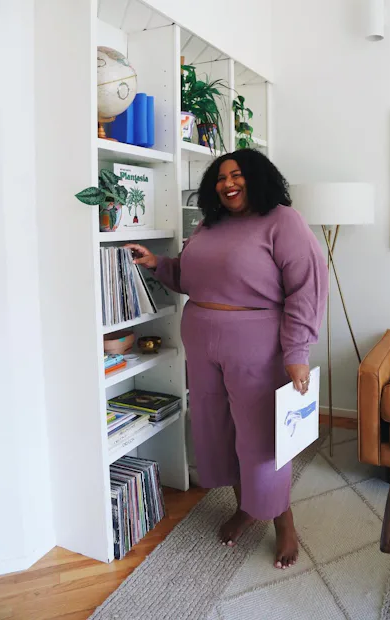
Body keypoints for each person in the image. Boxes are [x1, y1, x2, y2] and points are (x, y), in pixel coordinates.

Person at [126, 149, 328, 569]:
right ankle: (245, 507)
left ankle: (283, 519)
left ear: (257, 177)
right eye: (220, 178)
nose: (228, 183)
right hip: (202, 343)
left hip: (257, 345)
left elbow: (306, 289)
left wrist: (296, 353)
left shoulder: (283, 221)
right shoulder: (209, 224)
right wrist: (158, 264)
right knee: (219, 432)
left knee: (261, 438)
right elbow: (190, 276)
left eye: (237, 175)